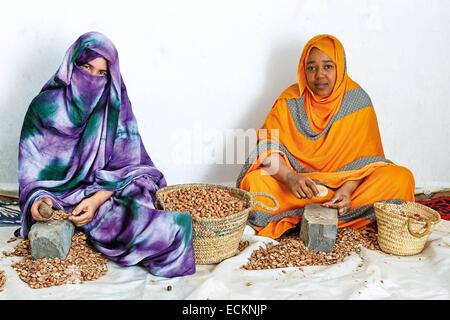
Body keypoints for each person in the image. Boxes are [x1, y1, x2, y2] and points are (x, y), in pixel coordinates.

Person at [17, 32, 195, 277]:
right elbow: (32, 179)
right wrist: (38, 203)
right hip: (59, 196)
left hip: (104, 190)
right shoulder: (44, 108)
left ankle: (121, 225)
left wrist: (95, 201)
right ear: (71, 66)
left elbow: (128, 165)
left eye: (101, 74)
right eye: (86, 67)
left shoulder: (114, 104)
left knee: (146, 204)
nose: (92, 78)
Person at [237, 34, 415, 239]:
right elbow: (265, 149)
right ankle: (330, 217)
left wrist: (347, 190)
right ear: (303, 70)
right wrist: (290, 178)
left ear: (340, 67)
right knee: (255, 181)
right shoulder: (290, 100)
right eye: (311, 68)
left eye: (328, 66)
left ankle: (296, 216)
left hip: (345, 188)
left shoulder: (356, 101)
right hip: (298, 189)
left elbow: (367, 161)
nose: (319, 75)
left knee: (400, 178)